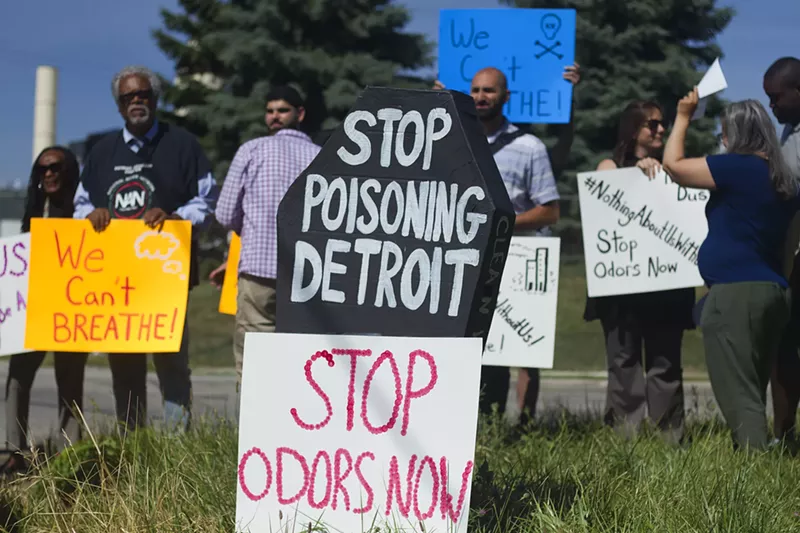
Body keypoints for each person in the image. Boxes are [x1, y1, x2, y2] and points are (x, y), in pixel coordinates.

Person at [73, 65, 218, 432]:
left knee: (171, 363)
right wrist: (92, 214)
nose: (136, 101)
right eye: (128, 97)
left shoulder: (182, 144)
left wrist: (174, 216)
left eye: (143, 95)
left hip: (165, 278)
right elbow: (79, 204)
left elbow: (206, 199)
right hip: (114, 282)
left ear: (155, 99)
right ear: (119, 106)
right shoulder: (101, 151)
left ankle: (177, 453)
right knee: (124, 365)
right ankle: (131, 446)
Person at [434, 64, 581, 423]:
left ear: (505, 97)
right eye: (475, 90)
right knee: (473, 346)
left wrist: (497, 225)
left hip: (516, 259)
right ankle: (475, 422)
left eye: (489, 91)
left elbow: (549, 211)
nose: (481, 97)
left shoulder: (528, 147)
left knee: (520, 346)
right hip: (464, 261)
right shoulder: (453, 142)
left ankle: (525, 427)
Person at [663, 88, 798, 450]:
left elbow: (674, 166)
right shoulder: (781, 177)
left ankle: (753, 473)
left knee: (739, 393)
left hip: (736, 293)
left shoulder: (738, 167)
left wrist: (683, 116)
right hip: (773, 291)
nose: (721, 139)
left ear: (736, 135)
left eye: (724, 132)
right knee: (752, 384)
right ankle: (761, 453)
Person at [583, 100, 695, 443]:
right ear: (634, 130)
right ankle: (624, 438)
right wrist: (634, 172)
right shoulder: (610, 165)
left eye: (662, 125)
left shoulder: (672, 169)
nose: (660, 130)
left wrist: (661, 171)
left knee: (665, 364)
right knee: (623, 362)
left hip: (665, 288)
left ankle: (670, 437)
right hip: (621, 289)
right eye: (653, 125)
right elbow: (603, 199)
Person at [216, 85, 321, 392]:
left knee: (253, 359)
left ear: (299, 114)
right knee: (299, 357)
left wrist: (248, 228)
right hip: (307, 274)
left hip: (258, 270)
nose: (275, 116)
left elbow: (224, 213)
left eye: (282, 110)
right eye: (271, 110)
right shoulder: (321, 157)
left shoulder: (252, 149)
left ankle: (252, 433)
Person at [1, 147, 88, 477]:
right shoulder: (34, 211)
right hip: (33, 310)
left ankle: (71, 456)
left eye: (55, 167)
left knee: (70, 384)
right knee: (17, 378)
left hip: (70, 310)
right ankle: (15, 453)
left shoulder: (83, 212)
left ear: (69, 172)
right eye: (42, 170)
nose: (49, 174)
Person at [763, 57, 800, 444]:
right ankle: (784, 434)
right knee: (783, 343)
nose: (771, 106)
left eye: (776, 98)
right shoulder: (788, 130)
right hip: (790, 258)